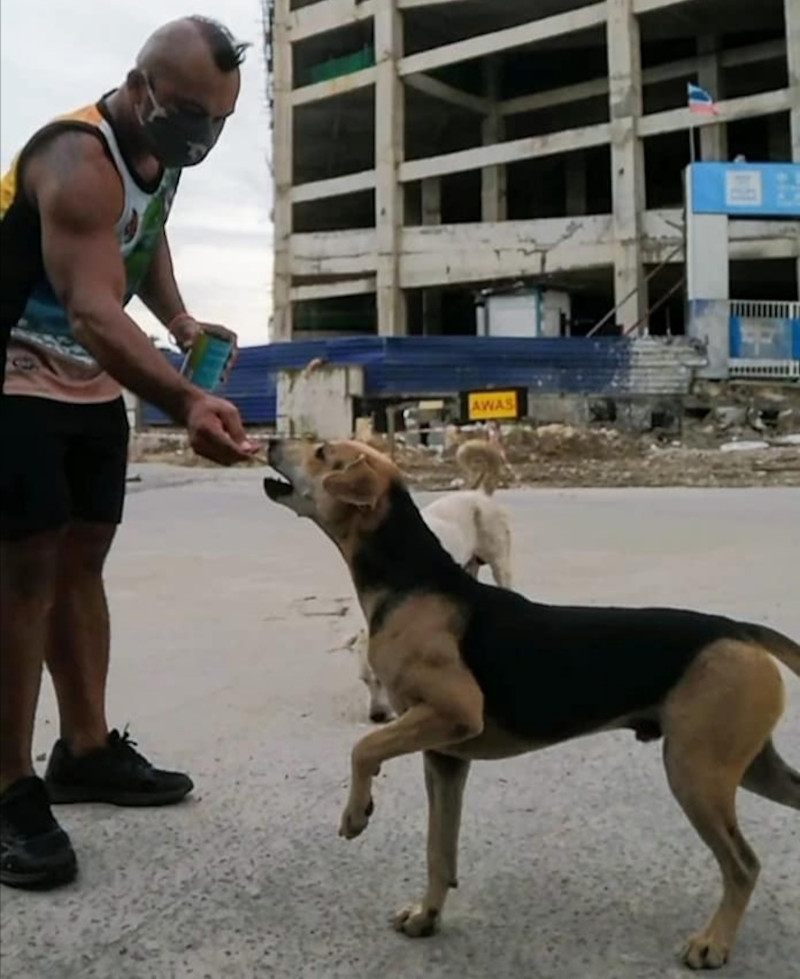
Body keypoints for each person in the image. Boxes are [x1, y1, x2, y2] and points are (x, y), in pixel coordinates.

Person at [0, 16, 258, 890]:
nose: (201, 135)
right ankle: (8, 791)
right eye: (188, 113)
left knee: (84, 561)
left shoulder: (160, 156)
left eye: (217, 120)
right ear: (138, 87)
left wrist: (181, 321)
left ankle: (85, 750)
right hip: (13, 380)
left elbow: (140, 244)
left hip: (86, 387)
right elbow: (93, 308)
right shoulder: (76, 162)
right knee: (22, 572)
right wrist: (185, 397)